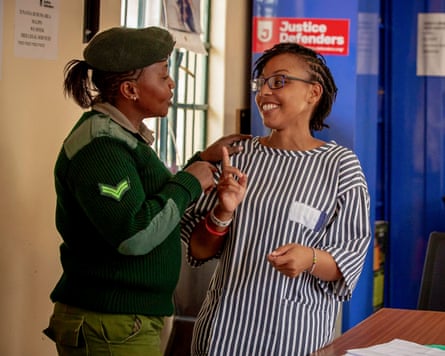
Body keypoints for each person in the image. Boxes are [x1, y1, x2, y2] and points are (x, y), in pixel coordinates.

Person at [43, 26, 248, 356]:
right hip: (110, 324)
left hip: (127, 321)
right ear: (130, 89)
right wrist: (190, 182)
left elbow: (144, 196)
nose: (172, 84)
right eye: (163, 75)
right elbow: (134, 233)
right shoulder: (102, 147)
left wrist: (201, 161)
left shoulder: (123, 137)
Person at [180, 42, 372, 356]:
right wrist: (222, 213)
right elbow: (198, 251)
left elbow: (347, 259)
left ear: (313, 93)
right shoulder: (238, 156)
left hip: (295, 338)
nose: (264, 92)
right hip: (222, 335)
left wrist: (308, 258)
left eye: (279, 81)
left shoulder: (339, 165)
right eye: (261, 83)